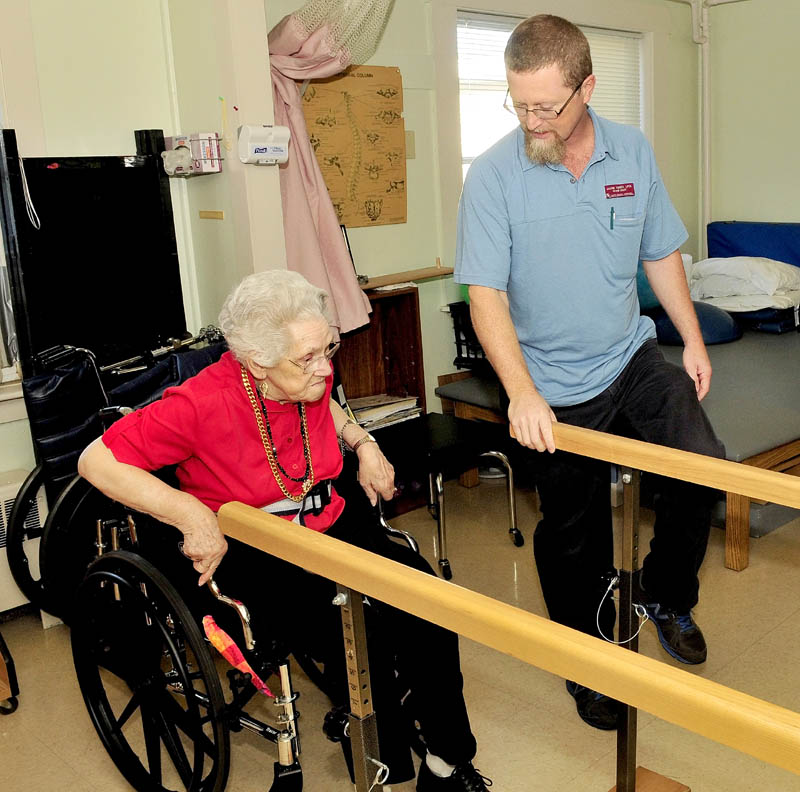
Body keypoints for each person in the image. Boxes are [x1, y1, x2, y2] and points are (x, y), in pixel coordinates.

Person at [78, 270, 491, 791]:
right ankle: (379, 758)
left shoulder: (305, 377)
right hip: (260, 552)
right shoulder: (201, 403)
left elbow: (328, 403)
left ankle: (447, 762)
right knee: (356, 627)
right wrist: (190, 513)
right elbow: (96, 461)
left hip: (332, 523)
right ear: (258, 364)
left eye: (328, 348)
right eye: (308, 358)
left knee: (429, 605)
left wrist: (363, 443)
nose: (327, 367)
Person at [455, 14, 725, 731]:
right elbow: (484, 296)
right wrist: (520, 394)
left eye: (547, 105)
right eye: (519, 104)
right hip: (546, 381)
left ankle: (665, 594)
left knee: (703, 464)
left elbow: (660, 253)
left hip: (630, 358)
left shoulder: (631, 153)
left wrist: (692, 342)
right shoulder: (493, 176)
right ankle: (586, 659)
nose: (532, 120)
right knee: (573, 533)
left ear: (588, 88)